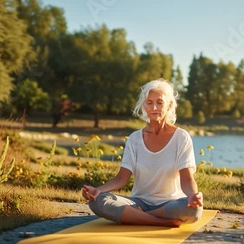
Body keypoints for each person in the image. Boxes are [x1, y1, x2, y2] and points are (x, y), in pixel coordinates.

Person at [81, 78, 203, 227]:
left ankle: (138, 217)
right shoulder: (134, 139)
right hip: (138, 203)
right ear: (144, 105)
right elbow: (121, 179)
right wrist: (97, 190)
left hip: (170, 204)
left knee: (193, 210)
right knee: (98, 202)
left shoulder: (181, 137)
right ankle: (161, 222)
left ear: (169, 105)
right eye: (149, 102)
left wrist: (192, 196)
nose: (154, 108)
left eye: (159, 102)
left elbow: (187, 178)